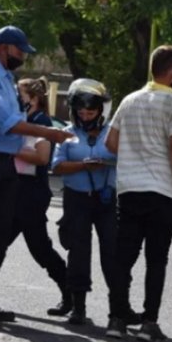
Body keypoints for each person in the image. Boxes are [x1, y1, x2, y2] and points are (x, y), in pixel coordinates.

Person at [0, 25, 73, 322]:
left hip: (3, 162)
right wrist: (48, 132)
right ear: (4, 47)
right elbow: (6, 123)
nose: (22, 56)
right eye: (19, 50)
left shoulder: (5, 78)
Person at [105, 45, 172, 342]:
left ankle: (115, 320)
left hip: (129, 190)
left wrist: (135, 152)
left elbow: (111, 143)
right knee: (157, 260)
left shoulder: (129, 100)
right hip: (163, 192)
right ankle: (148, 323)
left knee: (123, 257)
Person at [51, 78, 118, 325]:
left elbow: (125, 157)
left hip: (106, 200)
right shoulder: (67, 134)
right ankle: (78, 308)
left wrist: (106, 164)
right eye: (81, 111)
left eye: (91, 111)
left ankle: (118, 309)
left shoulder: (112, 133)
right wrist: (83, 165)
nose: (86, 115)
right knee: (78, 252)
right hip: (76, 199)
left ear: (101, 111)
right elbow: (57, 166)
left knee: (112, 253)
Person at [8, 76, 70, 316]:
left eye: (20, 95)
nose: (16, 100)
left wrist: (12, 149)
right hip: (19, 190)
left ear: (33, 98)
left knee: (39, 247)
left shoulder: (40, 122)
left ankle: (70, 292)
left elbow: (43, 157)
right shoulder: (24, 120)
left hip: (31, 193)